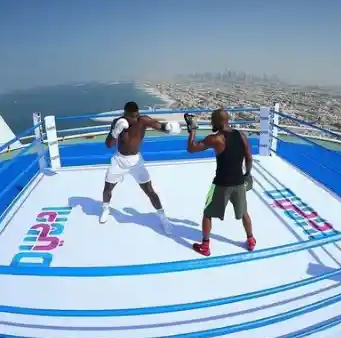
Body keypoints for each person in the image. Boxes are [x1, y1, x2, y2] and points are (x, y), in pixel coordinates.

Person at [184, 109, 256, 256]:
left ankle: (205, 246)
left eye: (212, 120)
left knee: (207, 213)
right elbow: (249, 157)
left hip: (221, 184)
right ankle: (251, 240)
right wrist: (247, 174)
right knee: (244, 213)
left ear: (218, 121)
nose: (211, 122)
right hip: (239, 183)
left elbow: (191, 148)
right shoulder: (241, 135)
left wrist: (192, 130)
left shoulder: (216, 139)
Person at [101, 101, 180, 234]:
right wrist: (115, 132)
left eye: (136, 116)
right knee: (108, 188)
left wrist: (169, 128)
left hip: (136, 161)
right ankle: (105, 208)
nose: (134, 119)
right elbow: (108, 145)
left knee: (149, 190)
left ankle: (163, 217)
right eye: (131, 116)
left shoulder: (143, 120)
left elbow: (159, 126)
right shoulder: (117, 122)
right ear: (125, 114)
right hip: (119, 160)